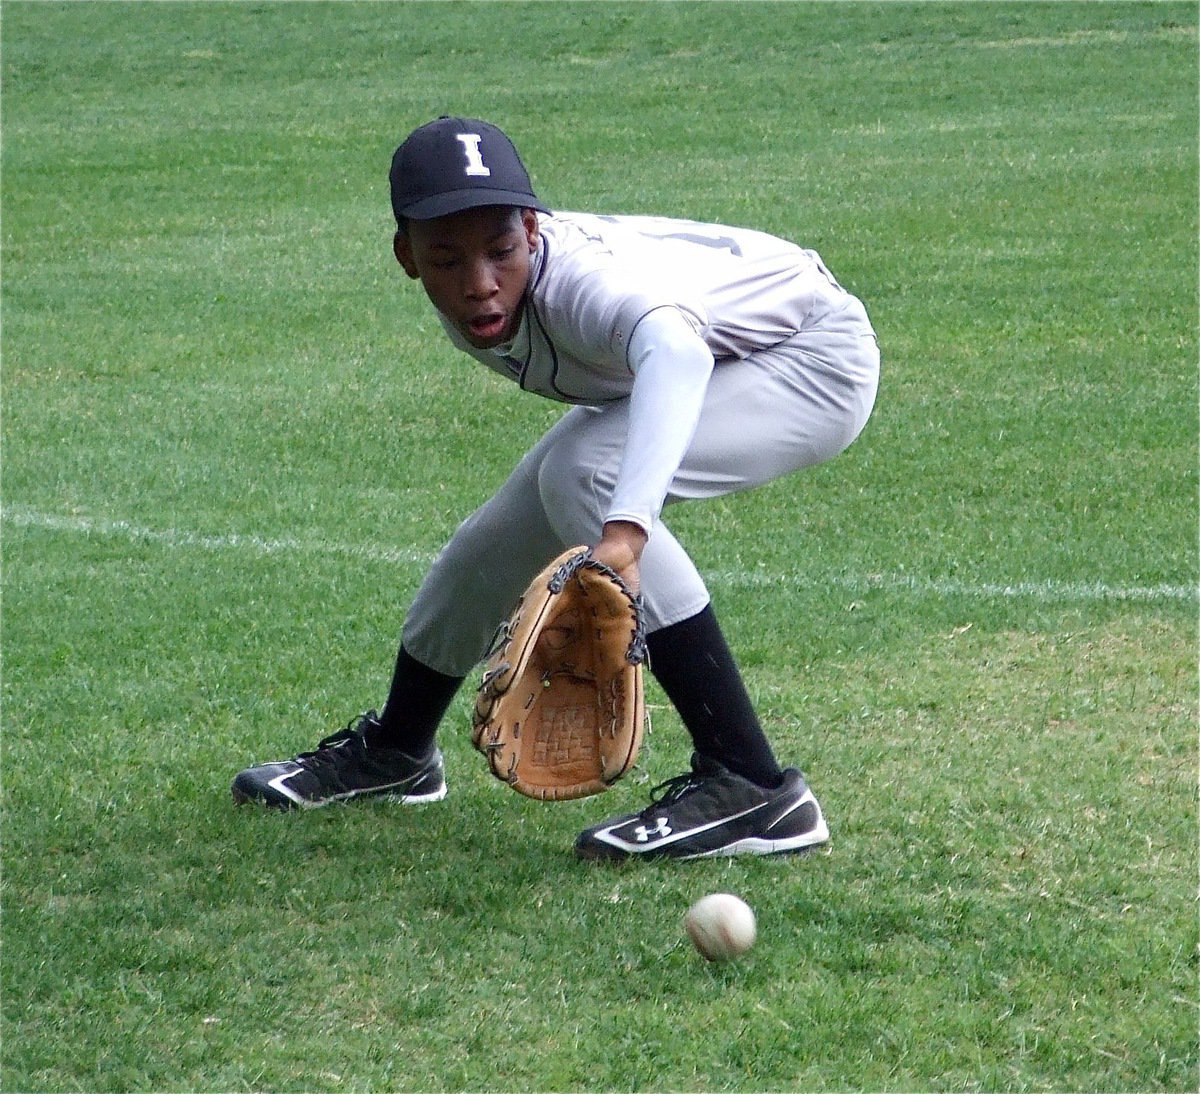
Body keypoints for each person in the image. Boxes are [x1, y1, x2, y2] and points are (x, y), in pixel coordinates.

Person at [232, 116, 879, 861]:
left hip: (811, 359)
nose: (480, 282)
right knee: (498, 537)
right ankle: (398, 753)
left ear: (533, 231)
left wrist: (626, 535)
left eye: (502, 251)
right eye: (447, 258)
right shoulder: (490, 287)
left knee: (587, 475)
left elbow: (675, 350)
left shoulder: (580, 284)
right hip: (739, 347)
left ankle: (753, 786)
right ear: (406, 257)